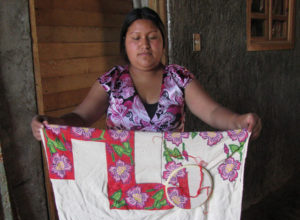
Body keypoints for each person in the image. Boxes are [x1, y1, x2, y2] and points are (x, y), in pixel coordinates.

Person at [31, 7, 261, 141]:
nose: (145, 45)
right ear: (125, 42)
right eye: (136, 38)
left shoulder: (178, 78)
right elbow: (81, 118)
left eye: (152, 37)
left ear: (162, 41)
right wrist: (54, 123)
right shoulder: (112, 81)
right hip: (123, 174)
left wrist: (237, 121)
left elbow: (211, 111)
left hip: (170, 175)